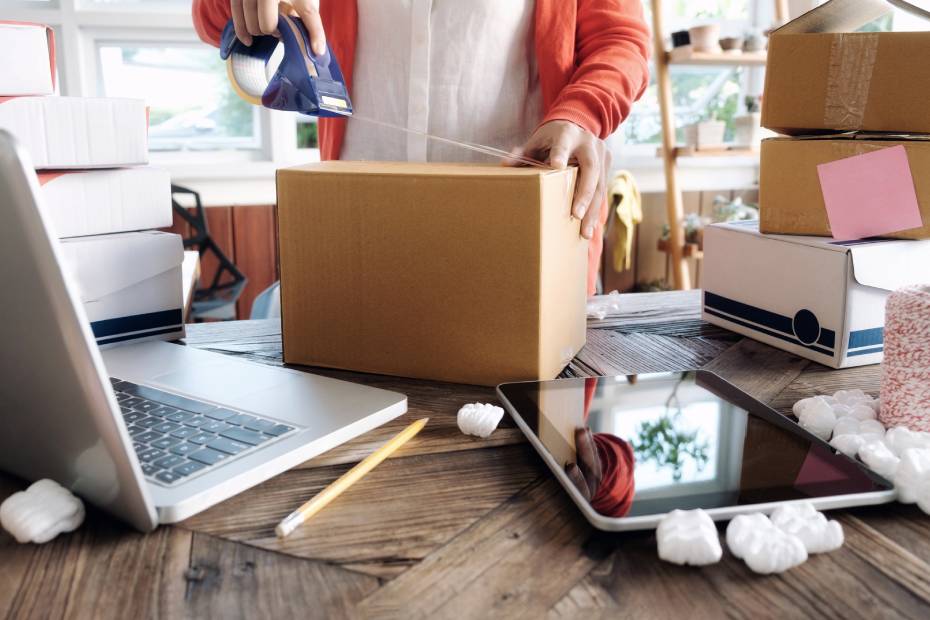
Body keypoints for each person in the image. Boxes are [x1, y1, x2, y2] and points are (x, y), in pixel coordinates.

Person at [192, 0, 650, 295]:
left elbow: (622, 40)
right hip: (357, 241)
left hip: (525, 244)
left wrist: (581, 112)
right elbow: (212, 17)